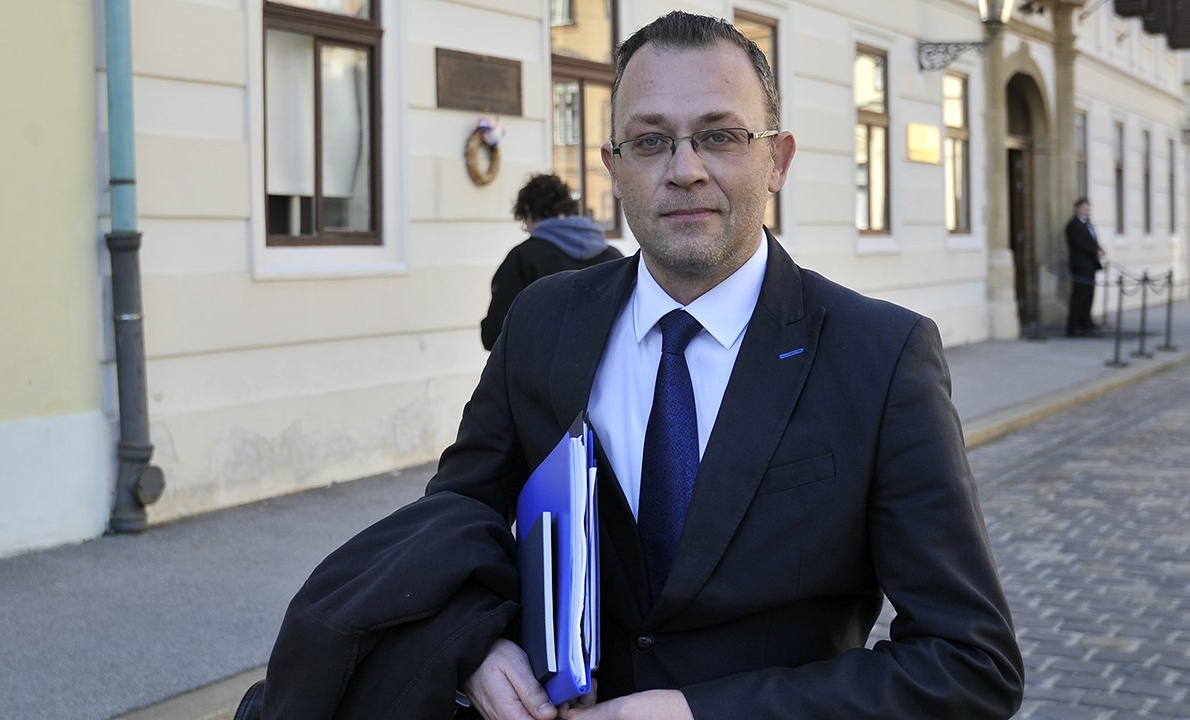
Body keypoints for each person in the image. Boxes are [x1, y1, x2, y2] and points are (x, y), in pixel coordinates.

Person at [255, 12, 1023, 720]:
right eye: (650, 141)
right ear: (613, 167)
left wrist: (698, 714)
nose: (684, 169)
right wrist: (474, 643)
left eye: (720, 136)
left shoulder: (878, 356)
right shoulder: (545, 321)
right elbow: (455, 519)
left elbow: (968, 663)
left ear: (778, 159)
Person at [482, 174, 623, 350]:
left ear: (529, 213)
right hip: (607, 363)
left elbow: (496, 333)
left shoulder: (524, 258)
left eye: (525, 223)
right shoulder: (614, 257)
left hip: (545, 364)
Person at [1065, 197, 1106, 337]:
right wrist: (1095, 250)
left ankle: (1086, 322)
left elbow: (1092, 240)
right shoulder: (1073, 225)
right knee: (1079, 296)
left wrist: (1099, 248)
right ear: (1077, 209)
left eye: (1088, 208)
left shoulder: (1088, 224)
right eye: (1084, 208)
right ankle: (1074, 326)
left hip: (1090, 264)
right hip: (1080, 265)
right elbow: (1079, 243)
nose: (1087, 210)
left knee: (1088, 295)